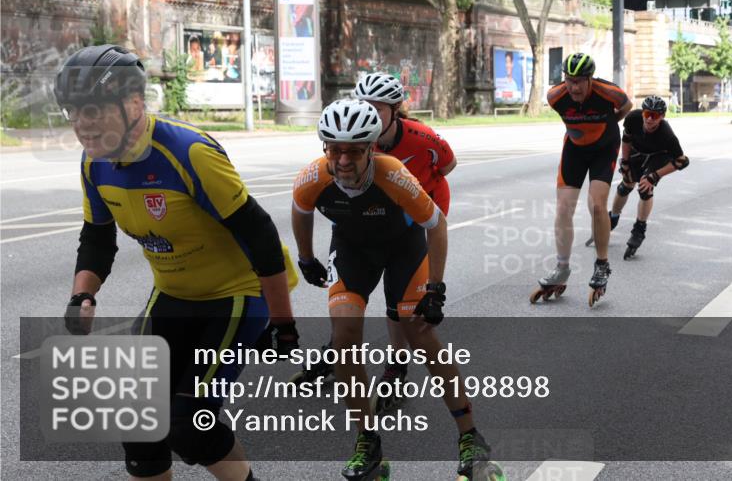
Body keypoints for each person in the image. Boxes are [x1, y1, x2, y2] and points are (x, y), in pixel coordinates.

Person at [55, 44, 300, 481]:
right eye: (72, 112)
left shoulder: (188, 153)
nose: (81, 124)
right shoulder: (95, 164)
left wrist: (282, 324)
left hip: (236, 294)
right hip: (173, 294)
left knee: (188, 424)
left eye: (91, 109)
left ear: (132, 104)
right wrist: (82, 294)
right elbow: (96, 238)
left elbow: (261, 236)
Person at [291, 99, 500, 481]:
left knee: (418, 332)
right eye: (334, 149)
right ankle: (366, 441)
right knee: (343, 337)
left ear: (371, 148)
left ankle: (471, 437)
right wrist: (306, 257)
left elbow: (435, 225)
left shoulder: (393, 174)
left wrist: (436, 288)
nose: (343, 160)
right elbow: (299, 210)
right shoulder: (313, 177)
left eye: (354, 151)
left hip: (403, 248)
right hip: (354, 250)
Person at [293, 72, 457, 414]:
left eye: (377, 109)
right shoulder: (352, 138)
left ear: (395, 111)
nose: (369, 113)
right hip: (369, 217)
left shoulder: (418, 138)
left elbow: (448, 164)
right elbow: (304, 203)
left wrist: (415, 194)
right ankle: (338, 345)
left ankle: (397, 364)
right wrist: (306, 255)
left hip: (418, 206)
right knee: (349, 307)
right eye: (363, 105)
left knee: (401, 306)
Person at [532, 52, 631, 307]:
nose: (574, 87)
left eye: (579, 81)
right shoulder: (555, 97)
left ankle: (602, 264)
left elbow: (627, 106)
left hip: (604, 148)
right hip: (574, 149)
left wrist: (609, 122)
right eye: (569, 80)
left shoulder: (609, 92)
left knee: (597, 205)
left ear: (590, 80)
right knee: (564, 207)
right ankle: (562, 267)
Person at [610, 95, 689, 259]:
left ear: (662, 117)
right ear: (642, 113)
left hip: (658, 157)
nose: (650, 119)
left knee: (645, 187)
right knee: (627, 183)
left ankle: (639, 229)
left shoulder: (667, 135)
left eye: (656, 116)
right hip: (637, 151)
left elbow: (682, 161)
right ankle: (613, 217)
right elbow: (626, 139)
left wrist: (655, 175)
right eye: (647, 114)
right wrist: (624, 162)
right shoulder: (633, 118)